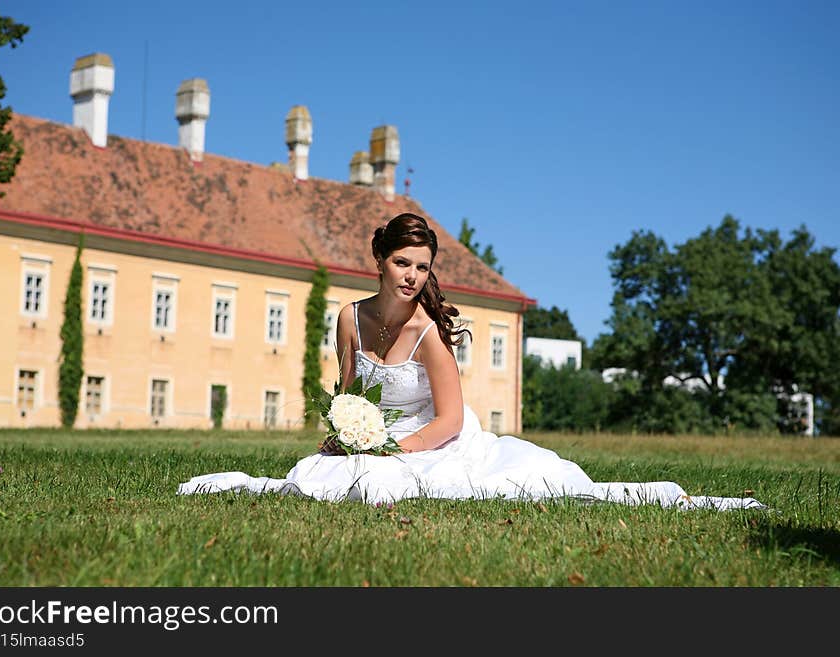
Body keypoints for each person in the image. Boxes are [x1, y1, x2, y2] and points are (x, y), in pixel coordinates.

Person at [178, 213, 764, 511]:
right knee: (314, 478)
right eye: (404, 263)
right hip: (379, 437)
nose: (413, 277)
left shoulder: (430, 334)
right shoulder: (349, 319)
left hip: (437, 441)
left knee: (448, 484)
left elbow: (450, 420)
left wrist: (391, 449)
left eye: (423, 267)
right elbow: (353, 394)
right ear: (380, 260)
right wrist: (344, 435)